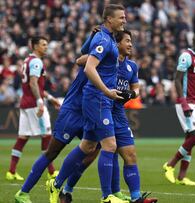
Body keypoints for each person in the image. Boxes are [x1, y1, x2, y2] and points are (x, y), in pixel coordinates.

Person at [14, 27, 125, 203]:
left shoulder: (110, 63)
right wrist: (92, 38)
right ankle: (23, 192)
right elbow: (81, 57)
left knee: (98, 147)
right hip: (73, 111)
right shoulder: (94, 59)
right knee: (52, 152)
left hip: (90, 110)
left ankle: (67, 187)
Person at [46, 4, 127, 203]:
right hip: (98, 99)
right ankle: (107, 197)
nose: (124, 20)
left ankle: (56, 184)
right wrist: (107, 90)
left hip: (100, 99)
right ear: (109, 20)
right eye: (121, 18)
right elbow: (89, 68)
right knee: (110, 145)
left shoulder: (108, 38)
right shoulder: (102, 39)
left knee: (88, 145)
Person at [77, 30, 158, 203]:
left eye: (131, 42)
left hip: (118, 112)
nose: (130, 44)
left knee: (130, 154)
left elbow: (136, 88)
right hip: (101, 106)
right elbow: (81, 61)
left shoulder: (132, 66)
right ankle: (92, 192)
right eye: (127, 41)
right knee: (91, 150)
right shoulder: (107, 58)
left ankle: (136, 198)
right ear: (117, 43)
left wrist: (131, 94)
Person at [6, 36, 61, 182]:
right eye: (43, 45)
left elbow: (36, 86)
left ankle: (11, 171)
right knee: (46, 135)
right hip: (33, 105)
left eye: (46, 44)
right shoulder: (36, 61)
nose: (46, 47)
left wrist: (51, 98)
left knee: (22, 137)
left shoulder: (27, 60)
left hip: (25, 103)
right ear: (35, 46)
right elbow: (33, 83)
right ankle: (51, 171)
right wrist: (40, 102)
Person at [163, 32, 195, 186]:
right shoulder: (186, 56)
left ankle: (181, 177)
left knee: (189, 140)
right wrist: (183, 103)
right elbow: (177, 80)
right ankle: (170, 165)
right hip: (187, 103)